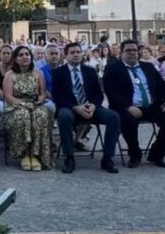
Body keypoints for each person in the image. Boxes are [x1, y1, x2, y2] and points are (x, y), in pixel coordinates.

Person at [103, 40, 165, 168]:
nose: (132, 53)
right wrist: (128, 106)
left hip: (151, 106)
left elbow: (163, 86)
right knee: (129, 121)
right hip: (126, 107)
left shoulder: (148, 67)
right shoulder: (113, 69)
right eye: (128, 50)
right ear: (121, 53)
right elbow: (111, 91)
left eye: (134, 50)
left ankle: (156, 154)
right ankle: (135, 155)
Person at [51, 42, 119, 174]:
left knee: (113, 117)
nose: (76, 55)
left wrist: (93, 105)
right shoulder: (58, 73)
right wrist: (75, 107)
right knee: (63, 116)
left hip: (90, 107)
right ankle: (69, 158)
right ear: (66, 55)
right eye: (72, 52)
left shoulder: (90, 71)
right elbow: (57, 96)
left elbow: (98, 94)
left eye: (78, 52)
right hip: (70, 107)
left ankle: (107, 158)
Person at [2, 46, 52, 171]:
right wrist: (23, 104)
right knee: (22, 115)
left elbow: (42, 93)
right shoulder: (10, 75)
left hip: (35, 104)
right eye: (21, 55)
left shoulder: (38, 73)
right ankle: (24, 154)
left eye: (27, 54)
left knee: (40, 115)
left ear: (31, 57)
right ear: (16, 59)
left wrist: (39, 101)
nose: (25, 57)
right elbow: (8, 96)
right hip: (15, 105)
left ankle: (35, 154)